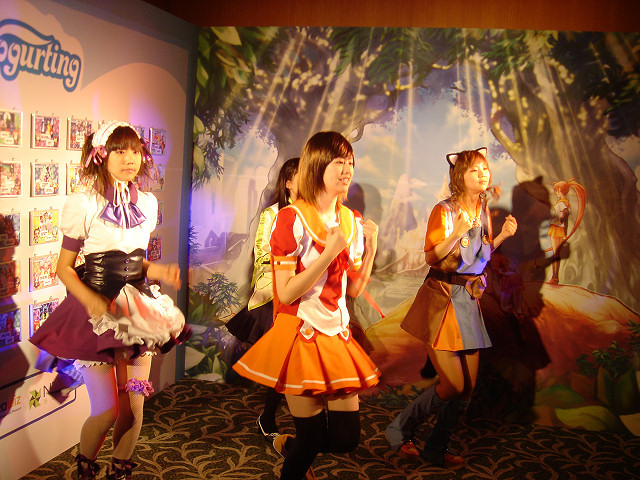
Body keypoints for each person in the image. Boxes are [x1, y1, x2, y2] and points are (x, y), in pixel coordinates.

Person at [30, 121, 190, 480]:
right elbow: (64, 268)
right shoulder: (84, 203)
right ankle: (85, 469)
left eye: (135, 150)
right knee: (106, 410)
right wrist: (90, 300)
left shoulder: (146, 203)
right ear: (100, 155)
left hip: (137, 309)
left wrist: (158, 270)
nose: (130, 158)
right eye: (119, 150)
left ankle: (120, 471)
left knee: (134, 404)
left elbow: (134, 261)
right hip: (96, 312)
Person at [233, 131, 380, 480]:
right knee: (312, 437)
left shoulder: (350, 220)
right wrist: (329, 253)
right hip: (300, 335)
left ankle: (288, 444)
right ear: (317, 165)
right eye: (338, 162)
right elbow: (285, 294)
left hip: (337, 335)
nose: (347, 169)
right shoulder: (291, 219)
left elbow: (354, 289)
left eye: (350, 161)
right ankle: (294, 454)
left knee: (346, 439)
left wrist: (371, 248)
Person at [386, 147, 517, 468]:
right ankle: (399, 429)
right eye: (474, 170)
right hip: (442, 299)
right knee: (454, 385)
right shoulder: (444, 210)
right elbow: (432, 257)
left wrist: (501, 237)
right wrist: (456, 233)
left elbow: (481, 255)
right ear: (460, 176)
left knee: (467, 389)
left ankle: (435, 447)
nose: (483, 174)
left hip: (467, 301)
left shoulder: (483, 208)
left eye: (485, 169)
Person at [226, 157, 300, 440]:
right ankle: (269, 417)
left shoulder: (315, 213)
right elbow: (262, 255)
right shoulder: (273, 214)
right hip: (276, 295)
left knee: (294, 361)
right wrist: (293, 272)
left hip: (306, 297)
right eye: (302, 175)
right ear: (288, 182)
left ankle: (288, 420)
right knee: (284, 359)